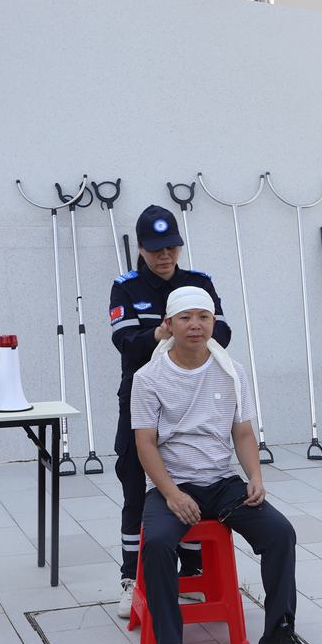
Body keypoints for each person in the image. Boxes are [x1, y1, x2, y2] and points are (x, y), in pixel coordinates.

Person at [131, 286, 314, 644]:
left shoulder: (232, 370)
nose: (195, 325)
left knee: (280, 532)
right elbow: (145, 444)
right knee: (157, 544)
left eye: (204, 317)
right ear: (169, 324)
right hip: (173, 485)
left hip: (221, 483)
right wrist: (172, 494)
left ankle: (278, 633)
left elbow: (243, 432)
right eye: (185, 318)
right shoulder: (149, 378)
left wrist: (255, 477)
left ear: (214, 322)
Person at [109, 205, 232, 619]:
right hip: (142, 398)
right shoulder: (125, 288)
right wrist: (160, 333)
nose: (165, 256)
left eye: (172, 248)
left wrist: (186, 330)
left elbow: (223, 331)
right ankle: (131, 578)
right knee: (134, 485)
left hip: (194, 399)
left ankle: (191, 569)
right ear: (141, 248)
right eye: (156, 249)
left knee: (195, 479)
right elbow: (125, 343)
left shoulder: (199, 283)